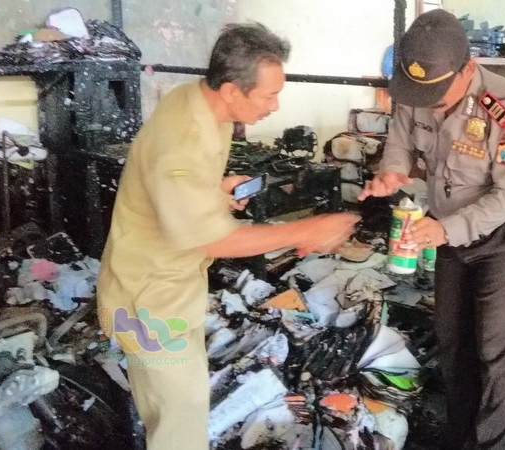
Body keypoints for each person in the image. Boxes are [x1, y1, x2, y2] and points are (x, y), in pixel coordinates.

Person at [97, 23, 359, 449]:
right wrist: (306, 229)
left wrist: (213, 191)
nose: (275, 105)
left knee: (178, 408)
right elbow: (212, 241)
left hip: (168, 287)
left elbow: (170, 184)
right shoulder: (184, 139)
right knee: (180, 422)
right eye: (268, 95)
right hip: (147, 302)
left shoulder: (199, 101)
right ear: (232, 89)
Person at [359, 10, 505, 449]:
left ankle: (497, 444)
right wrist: (391, 172)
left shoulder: (504, 108)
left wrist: (446, 230)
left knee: (496, 349)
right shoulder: (415, 88)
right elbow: (399, 143)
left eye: (439, 94)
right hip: (446, 231)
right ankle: (460, 438)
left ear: (468, 68)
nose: (430, 102)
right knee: (453, 342)